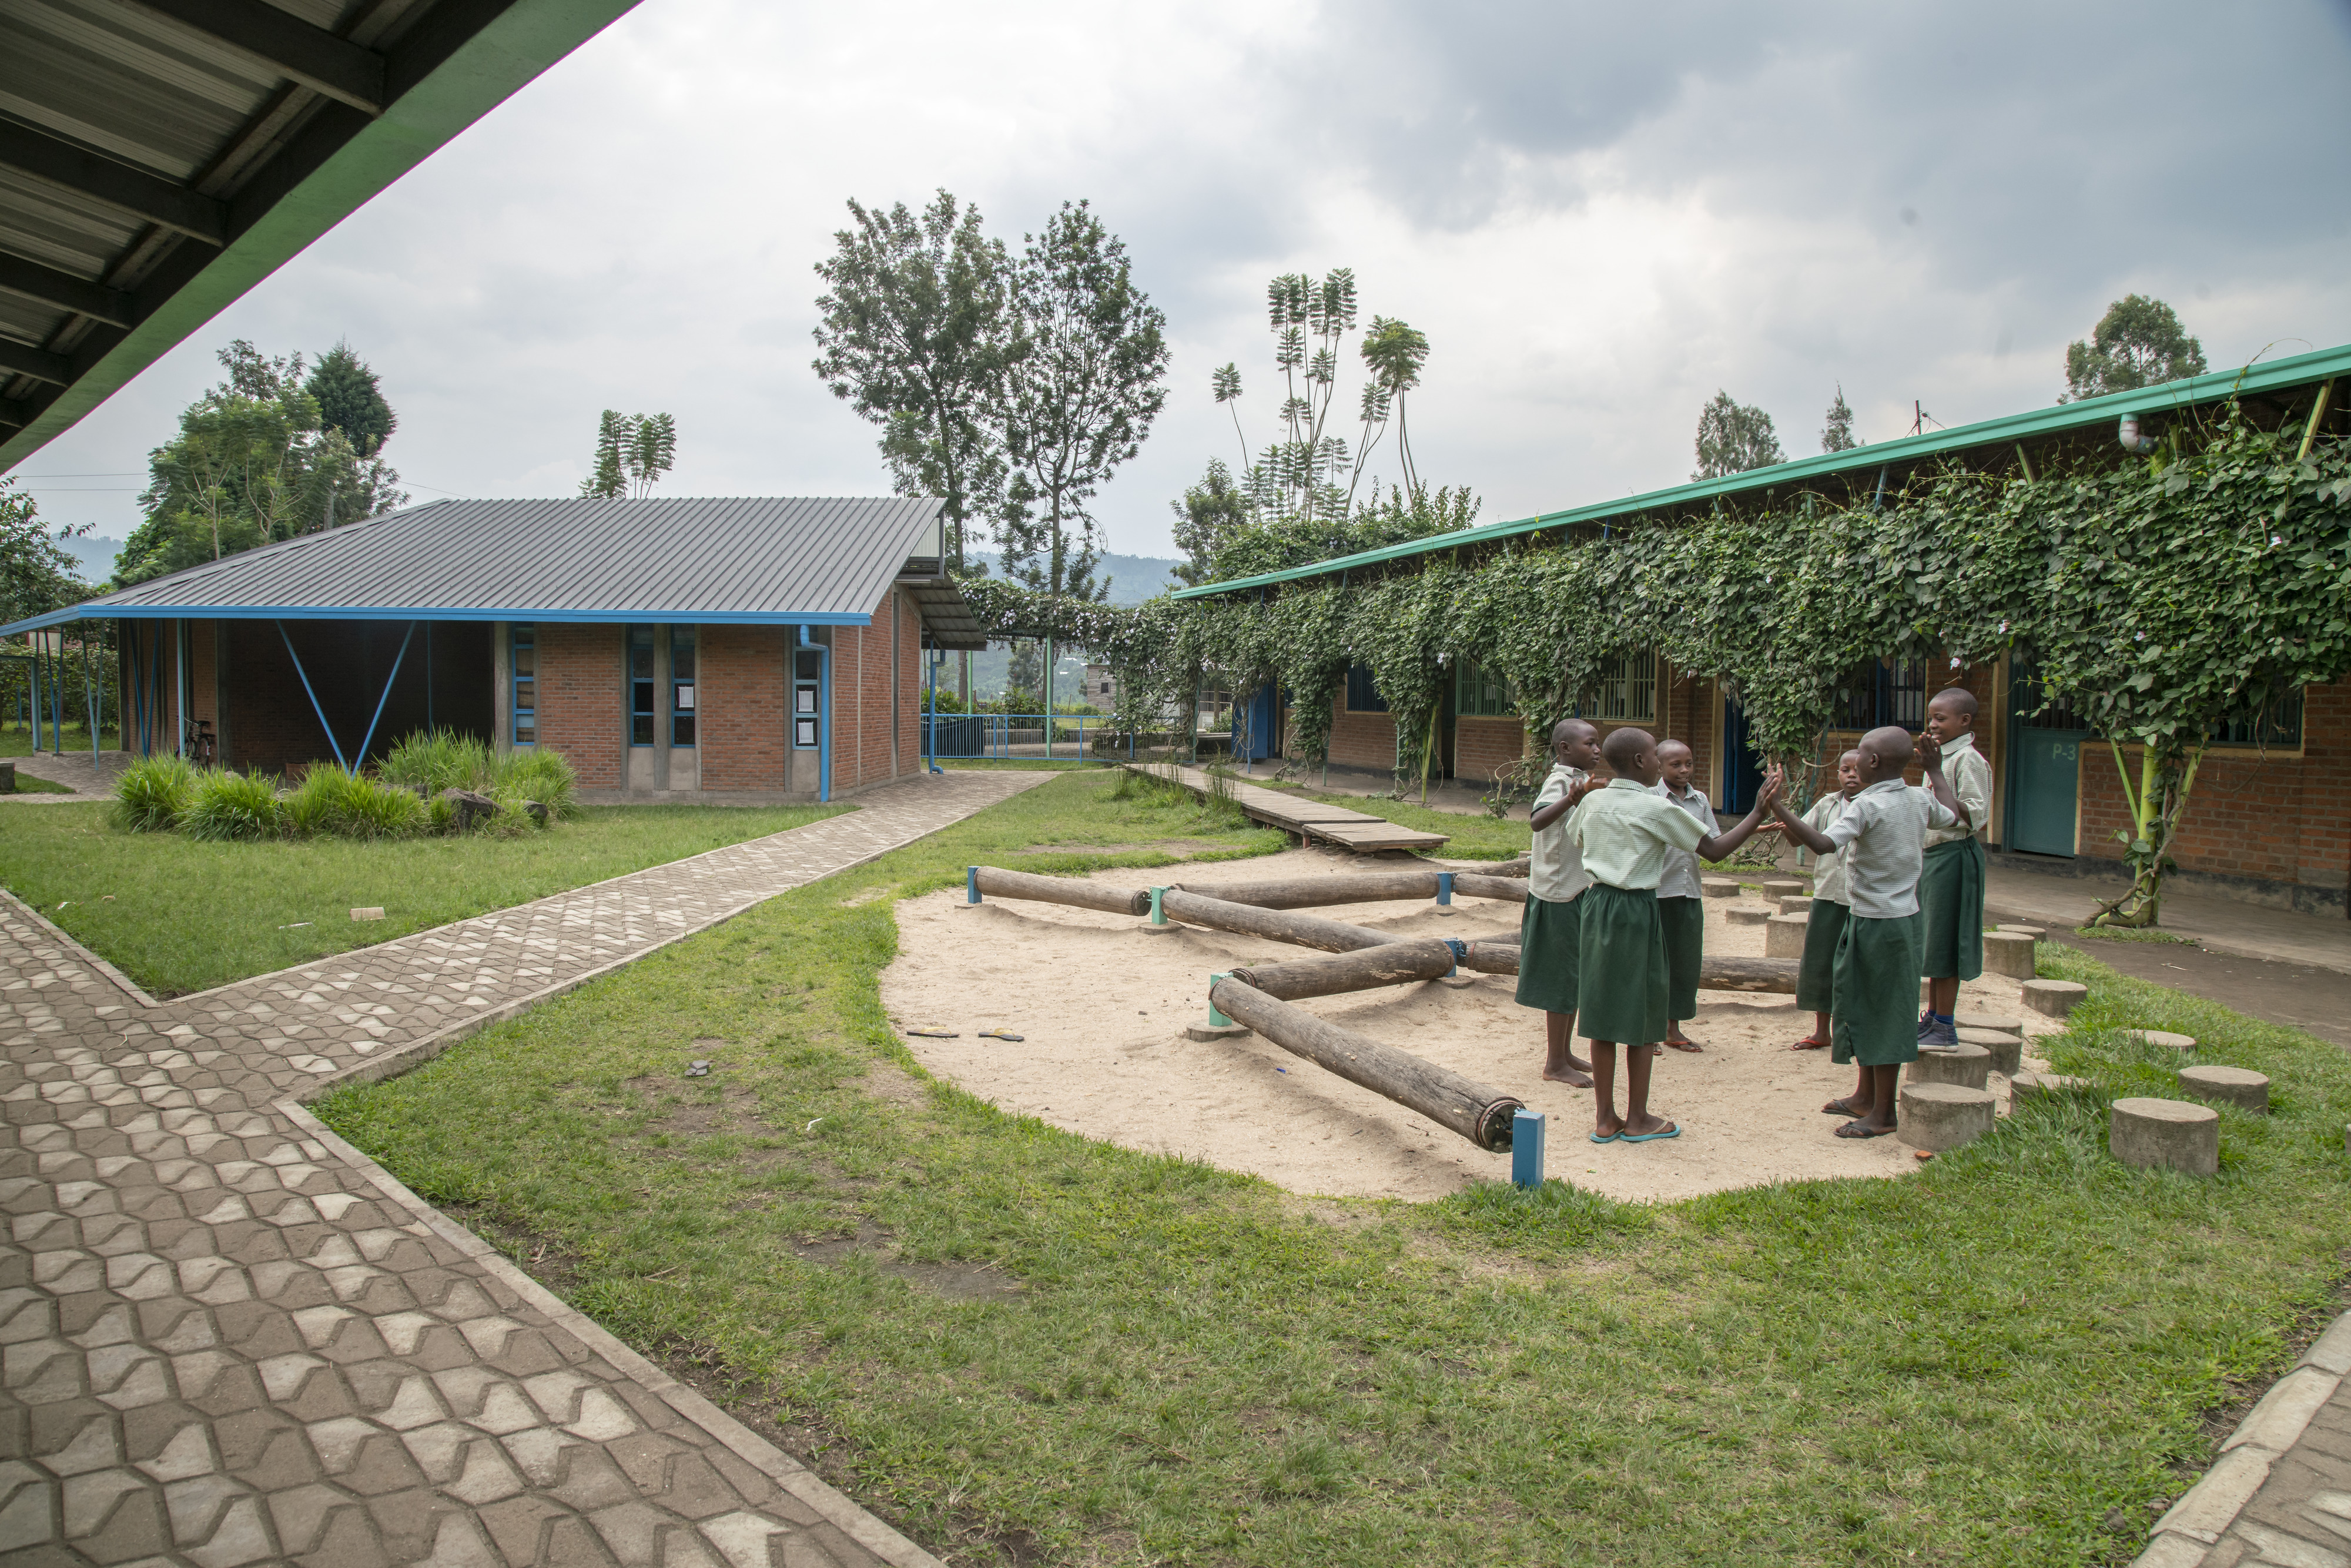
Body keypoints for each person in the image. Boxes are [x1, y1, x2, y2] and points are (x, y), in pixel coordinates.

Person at [1566, 727, 1775, 1144]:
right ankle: (1639, 1118)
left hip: (1596, 906)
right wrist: (1757, 813)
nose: (1663, 765)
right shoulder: (1655, 807)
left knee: (1602, 1011)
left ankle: (1605, 1119)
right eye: (1657, 757)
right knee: (1645, 1012)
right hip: (1637, 909)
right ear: (1643, 763)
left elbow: (1577, 837)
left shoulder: (1593, 801)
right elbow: (1713, 850)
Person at [1765, 725, 1964, 1139]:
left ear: (1872, 763)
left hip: (1878, 924)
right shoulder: (1919, 797)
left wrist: (1778, 808)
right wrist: (1937, 771)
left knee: (1883, 1013)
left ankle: (1884, 1112)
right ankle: (1865, 1095)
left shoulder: (1865, 806)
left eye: (1859, 755)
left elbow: (1823, 845)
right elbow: (1952, 814)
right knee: (1863, 1003)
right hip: (1900, 920)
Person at [1519, 719, 1602, 1088]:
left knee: (1573, 974)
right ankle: (1554, 1062)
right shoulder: (1560, 782)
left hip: (1573, 888)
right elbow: (1537, 821)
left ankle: (1565, 1052)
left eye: (1598, 743)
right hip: (1556, 894)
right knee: (1561, 977)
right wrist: (1573, 797)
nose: (1597, 749)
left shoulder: (1576, 779)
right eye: (1590, 743)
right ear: (1566, 748)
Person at [1917, 688, 1991, 1047]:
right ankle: (1931, 1017)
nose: (1933, 724)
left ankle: (1945, 1025)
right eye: (1931, 717)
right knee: (1933, 938)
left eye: (1941, 719)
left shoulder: (1967, 760)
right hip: (1933, 856)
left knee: (1948, 941)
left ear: (1964, 721)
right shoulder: (1940, 756)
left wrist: (1935, 772)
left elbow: (1971, 816)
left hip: (1955, 855)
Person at [1791, 750, 1864, 1050]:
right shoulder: (1827, 804)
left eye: (1858, 770)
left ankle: (1855, 1033)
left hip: (1861, 900)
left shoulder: (1876, 806)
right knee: (1820, 962)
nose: (1851, 775)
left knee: (1857, 966)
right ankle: (1822, 1031)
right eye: (1845, 769)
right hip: (1826, 895)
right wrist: (1779, 812)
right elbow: (1797, 838)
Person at [1649, 739, 1714, 1052]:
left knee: (1684, 962)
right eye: (1676, 765)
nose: (1685, 770)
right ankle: (1648, 1030)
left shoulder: (1699, 800)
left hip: (1688, 892)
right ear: (1658, 766)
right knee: (1651, 963)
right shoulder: (1650, 798)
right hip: (1655, 891)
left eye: (1689, 763)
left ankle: (1672, 1028)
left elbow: (1713, 841)